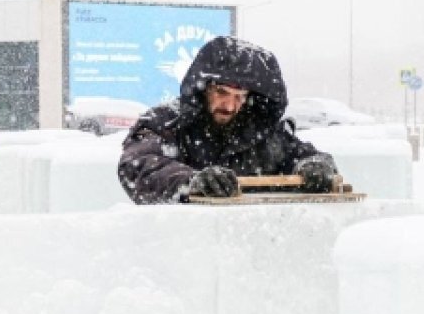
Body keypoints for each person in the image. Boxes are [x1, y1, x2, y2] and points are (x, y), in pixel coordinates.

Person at [118, 35, 338, 204]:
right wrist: (189, 182)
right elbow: (138, 166)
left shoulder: (263, 132)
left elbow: (301, 155)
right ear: (203, 88)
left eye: (239, 97)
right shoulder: (165, 123)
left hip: (247, 252)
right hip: (180, 248)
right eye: (221, 92)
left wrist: (314, 165)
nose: (230, 106)